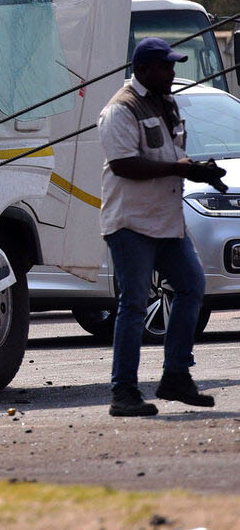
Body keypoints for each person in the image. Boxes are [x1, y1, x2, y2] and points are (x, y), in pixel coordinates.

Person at [97, 37, 224, 417]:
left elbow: (168, 154)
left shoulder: (165, 101)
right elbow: (124, 165)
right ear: (143, 71)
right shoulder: (119, 110)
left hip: (167, 221)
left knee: (192, 285)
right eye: (166, 67)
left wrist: (198, 170)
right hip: (131, 222)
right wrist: (178, 168)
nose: (172, 73)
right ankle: (123, 392)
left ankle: (175, 377)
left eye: (172, 66)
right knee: (134, 304)